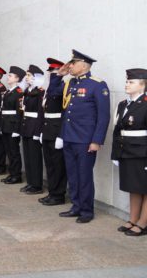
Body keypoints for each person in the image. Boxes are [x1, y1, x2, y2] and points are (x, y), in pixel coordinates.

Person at [52, 49, 110, 223]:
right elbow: (53, 93)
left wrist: (96, 140)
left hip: (85, 140)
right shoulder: (70, 83)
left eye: (73, 63)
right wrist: (58, 75)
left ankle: (86, 211)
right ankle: (76, 206)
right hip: (69, 137)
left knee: (84, 176)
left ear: (84, 65)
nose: (69, 66)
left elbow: (103, 116)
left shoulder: (97, 85)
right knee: (72, 175)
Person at [111, 68, 147, 236]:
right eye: (126, 81)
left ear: (143, 85)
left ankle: (143, 223)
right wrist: (115, 153)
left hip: (142, 153)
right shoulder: (123, 104)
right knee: (134, 187)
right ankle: (133, 219)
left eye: (131, 82)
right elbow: (117, 131)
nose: (127, 84)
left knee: (145, 188)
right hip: (127, 151)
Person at [39, 58, 67, 206]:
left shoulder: (62, 87)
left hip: (57, 131)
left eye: (55, 71)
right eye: (50, 72)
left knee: (58, 166)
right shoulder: (49, 89)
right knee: (50, 165)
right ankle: (52, 192)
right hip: (48, 129)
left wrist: (61, 135)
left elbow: (64, 113)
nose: (52, 74)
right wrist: (42, 131)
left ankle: (58, 195)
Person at [20, 65, 45, 195]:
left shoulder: (40, 92)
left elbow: (41, 113)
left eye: (29, 75)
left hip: (34, 127)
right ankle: (30, 182)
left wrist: (38, 131)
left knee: (35, 158)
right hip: (26, 126)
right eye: (26, 75)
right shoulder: (27, 91)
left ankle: (37, 185)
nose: (26, 77)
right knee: (28, 157)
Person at [0, 66, 25, 185]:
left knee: (14, 152)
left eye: (10, 76)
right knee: (9, 151)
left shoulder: (19, 93)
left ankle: (16, 175)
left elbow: (19, 112)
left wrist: (17, 129)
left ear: (17, 79)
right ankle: (11, 173)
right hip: (5, 125)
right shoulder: (8, 92)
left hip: (12, 126)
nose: (8, 77)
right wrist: (1, 125)